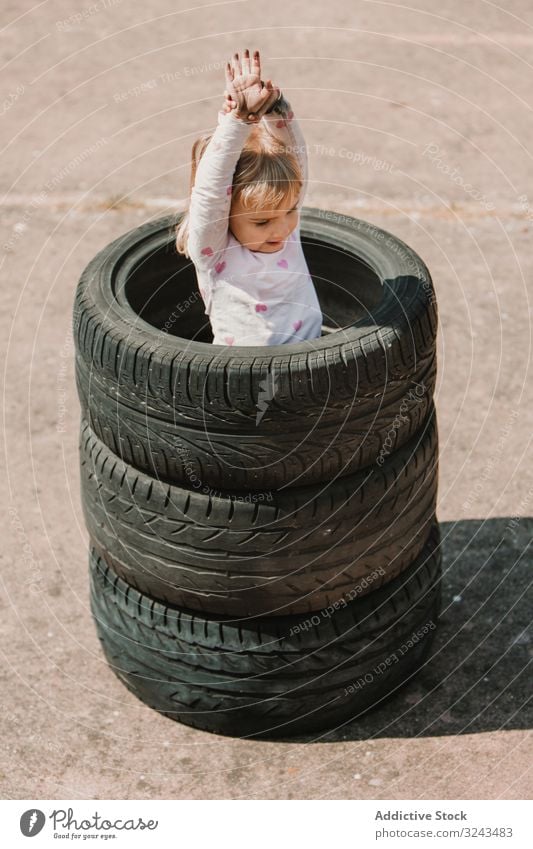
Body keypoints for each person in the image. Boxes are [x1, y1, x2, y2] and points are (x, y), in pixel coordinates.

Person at [175, 48, 323, 346]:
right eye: (262, 221)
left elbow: (295, 156)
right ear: (227, 213)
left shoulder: (283, 226)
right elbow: (210, 192)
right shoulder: (215, 251)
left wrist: (273, 108)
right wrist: (238, 121)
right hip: (242, 380)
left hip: (314, 370)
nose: (282, 229)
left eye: (290, 211)